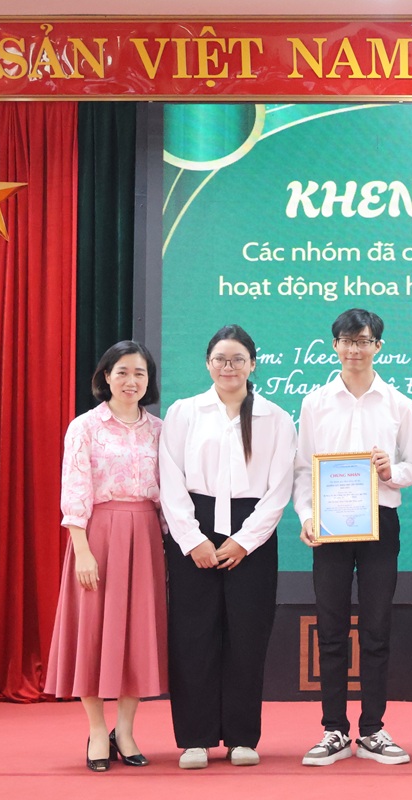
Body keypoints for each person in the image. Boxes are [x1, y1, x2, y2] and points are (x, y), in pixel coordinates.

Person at [159, 324, 297, 770]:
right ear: (208, 363)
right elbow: (170, 480)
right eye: (220, 359)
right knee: (193, 636)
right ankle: (195, 738)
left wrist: (245, 541)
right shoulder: (184, 412)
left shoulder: (276, 418)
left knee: (247, 636)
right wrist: (191, 539)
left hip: (252, 536)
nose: (229, 367)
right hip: (193, 530)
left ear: (252, 364)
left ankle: (241, 737)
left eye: (238, 359)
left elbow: (279, 489)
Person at [294, 309, 412, 768]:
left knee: (376, 628)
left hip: (380, 524)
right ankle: (333, 728)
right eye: (346, 341)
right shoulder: (314, 403)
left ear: (377, 347)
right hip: (329, 526)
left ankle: (371, 729)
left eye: (363, 341)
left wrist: (392, 471)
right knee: (330, 629)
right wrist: (308, 515)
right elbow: (304, 469)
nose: (354, 349)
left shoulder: (399, 404)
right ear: (335, 346)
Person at [46, 341, 167, 772]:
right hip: (97, 535)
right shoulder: (85, 427)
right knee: (93, 632)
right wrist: (82, 551)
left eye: (140, 373)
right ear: (105, 377)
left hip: (146, 535)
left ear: (149, 380)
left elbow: (169, 493)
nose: (131, 381)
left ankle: (126, 730)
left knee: (137, 634)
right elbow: (75, 491)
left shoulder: (160, 430)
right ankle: (98, 730)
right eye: (122, 372)